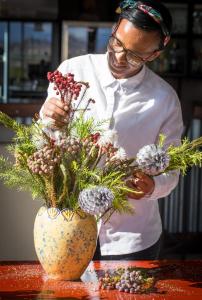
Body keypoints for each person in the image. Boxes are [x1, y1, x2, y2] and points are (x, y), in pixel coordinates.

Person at [40, 0, 183, 260]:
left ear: (154, 54)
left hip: (131, 239)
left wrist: (153, 186)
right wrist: (47, 117)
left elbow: (172, 169)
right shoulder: (73, 71)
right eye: (116, 42)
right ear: (115, 28)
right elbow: (46, 140)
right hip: (68, 224)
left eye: (134, 55)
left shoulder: (164, 99)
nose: (119, 58)